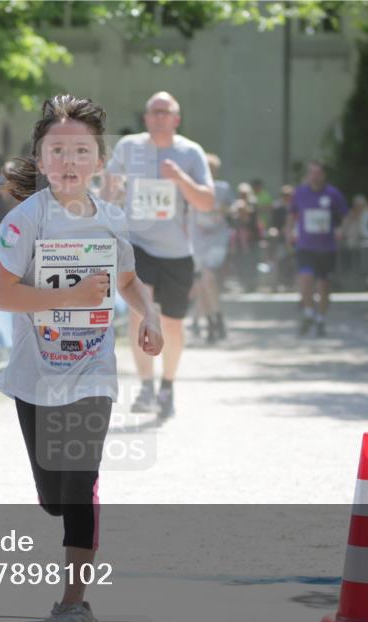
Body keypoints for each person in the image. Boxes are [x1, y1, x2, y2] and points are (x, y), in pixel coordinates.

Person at [0, 94, 162, 622]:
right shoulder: (25, 220)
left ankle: (73, 607)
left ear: (98, 161)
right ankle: (65, 532)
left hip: (92, 371)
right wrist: (67, 295)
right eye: (57, 150)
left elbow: (129, 280)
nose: (69, 161)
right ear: (40, 160)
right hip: (35, 375)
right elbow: (3, 296)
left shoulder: (111, 220)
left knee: (83, 480)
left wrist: (149, 315)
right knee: (54, 495)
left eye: (81, 151)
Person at [102, 91, 213, 420]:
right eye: (154, 111)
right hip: (138, 244)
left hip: (178, 251)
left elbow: (207, 202)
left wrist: (180, 178)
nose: (160, 117)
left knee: (173, 325)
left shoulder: (190, 152)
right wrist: (105, 214)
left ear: (177, 119)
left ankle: (168, 385)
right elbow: (110, 182)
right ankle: (146, 385)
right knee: (141, 310)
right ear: (146, 117)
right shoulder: (129, 147)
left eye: (166, 112)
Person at [287, 160, 348, 336]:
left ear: (323, 175)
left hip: (327, 247)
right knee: (305, 278)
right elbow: (292, 214)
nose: (315, 176)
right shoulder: (300, 193)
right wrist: (289, 231)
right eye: (312, 173)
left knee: (323, 285)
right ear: (308, 175)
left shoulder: (333, 194)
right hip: (305, 245)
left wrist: (340, 230)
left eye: (318, 173)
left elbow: (344, 215)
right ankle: (308, 312)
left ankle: (320, 319)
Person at [189, 154, 231, 343]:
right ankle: (214, 320)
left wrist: (224, 209)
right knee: (202, 284)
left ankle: (215, 320)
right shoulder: (191, 187)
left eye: (211, 169)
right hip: (196, 242)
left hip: (216, 240)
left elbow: (232, 207)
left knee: (208, 277)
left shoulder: (222, 189)